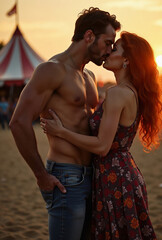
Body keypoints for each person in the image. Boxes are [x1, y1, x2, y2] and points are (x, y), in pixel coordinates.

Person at [41, 32, 162, 239]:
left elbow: (102, 146)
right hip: (122, 174)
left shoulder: (117, 93)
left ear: (127, 60)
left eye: (114, 48)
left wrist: (61, 132)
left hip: (114, 178)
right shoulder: (129, 91)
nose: (108, 52)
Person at [9, 7, 121, 240]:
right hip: (65, 177)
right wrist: (40, 174)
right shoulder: (51, 70)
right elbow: (18, 122)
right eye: (108, 43)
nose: (110, 50)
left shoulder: (89, 76)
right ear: (89, 36)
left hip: (94, 176)